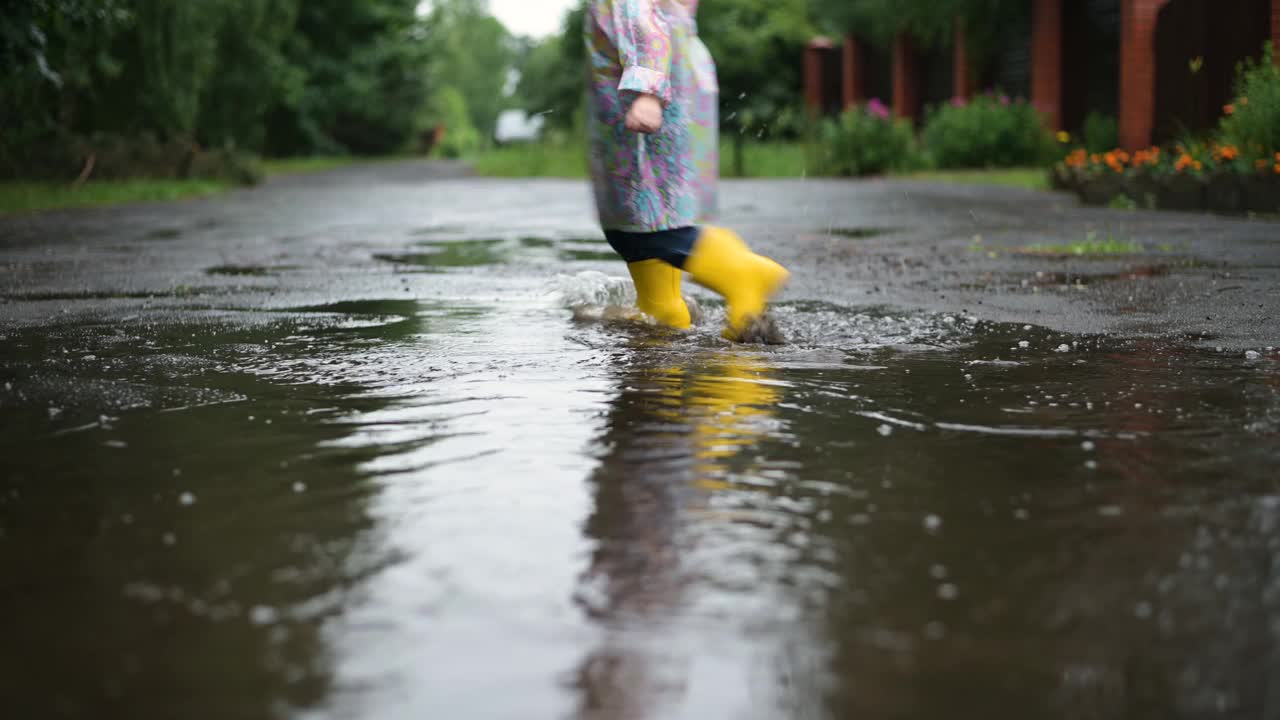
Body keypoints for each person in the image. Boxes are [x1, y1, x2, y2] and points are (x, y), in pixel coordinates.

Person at [585, 0, 789, 339]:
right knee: (644, 224)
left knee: (645, 225)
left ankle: (742, 274)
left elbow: (644, 26)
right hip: (663, 109)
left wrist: (648, 94)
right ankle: (661, 306)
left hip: (644, 124)